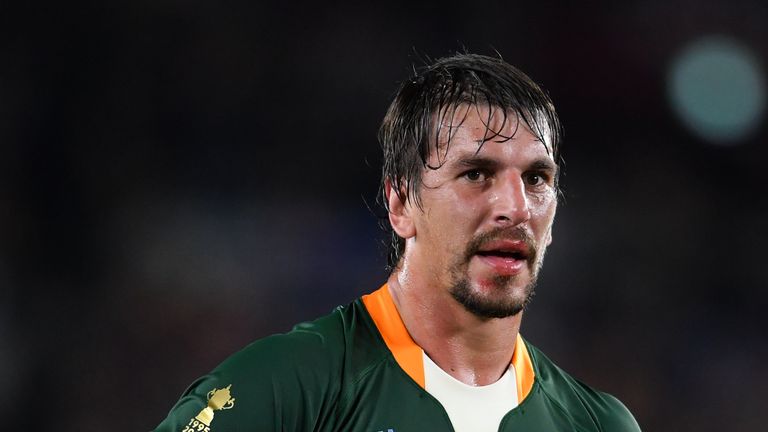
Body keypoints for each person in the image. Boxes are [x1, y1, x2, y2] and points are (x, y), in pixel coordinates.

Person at [154, 53, 641, 432]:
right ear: (400, 203)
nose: (516, 207)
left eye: (536, 179)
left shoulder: (597, 423)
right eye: (476, 173)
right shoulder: (287, 388)